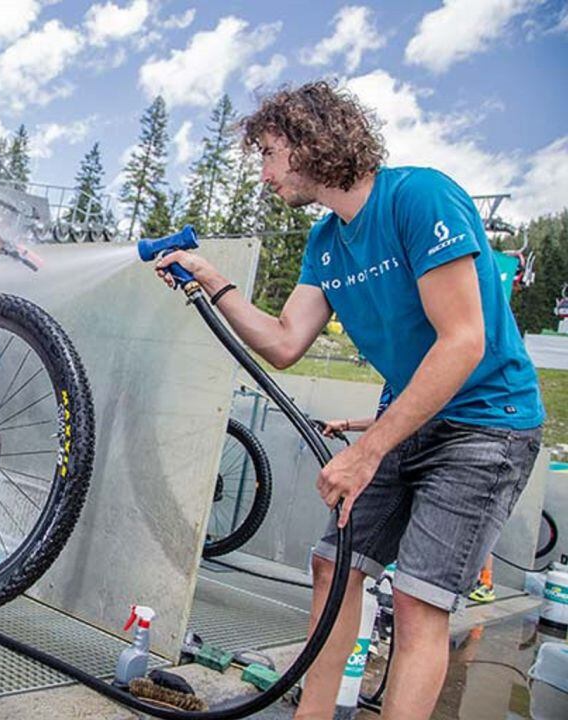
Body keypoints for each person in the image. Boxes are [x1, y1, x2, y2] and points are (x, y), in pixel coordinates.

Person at [155, 80, 544, 719]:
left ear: (311, 142)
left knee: (420, 602)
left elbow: (463, 342)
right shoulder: (326, 243)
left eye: (270, 153)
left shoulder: (419, 197)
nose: (264, 173)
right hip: (407, 419)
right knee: (333, 570)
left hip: (485, 426)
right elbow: (284, 343)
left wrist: (366, 451)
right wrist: (211, 279)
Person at [322, 385, 499, 605]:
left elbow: (420, 411)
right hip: (401, 445)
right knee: (333, 561)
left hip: (459, 443)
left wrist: (362, 453)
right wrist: (349, 424)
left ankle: (485, 581)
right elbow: (393, 417)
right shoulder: (397, 381)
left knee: (418, 593)